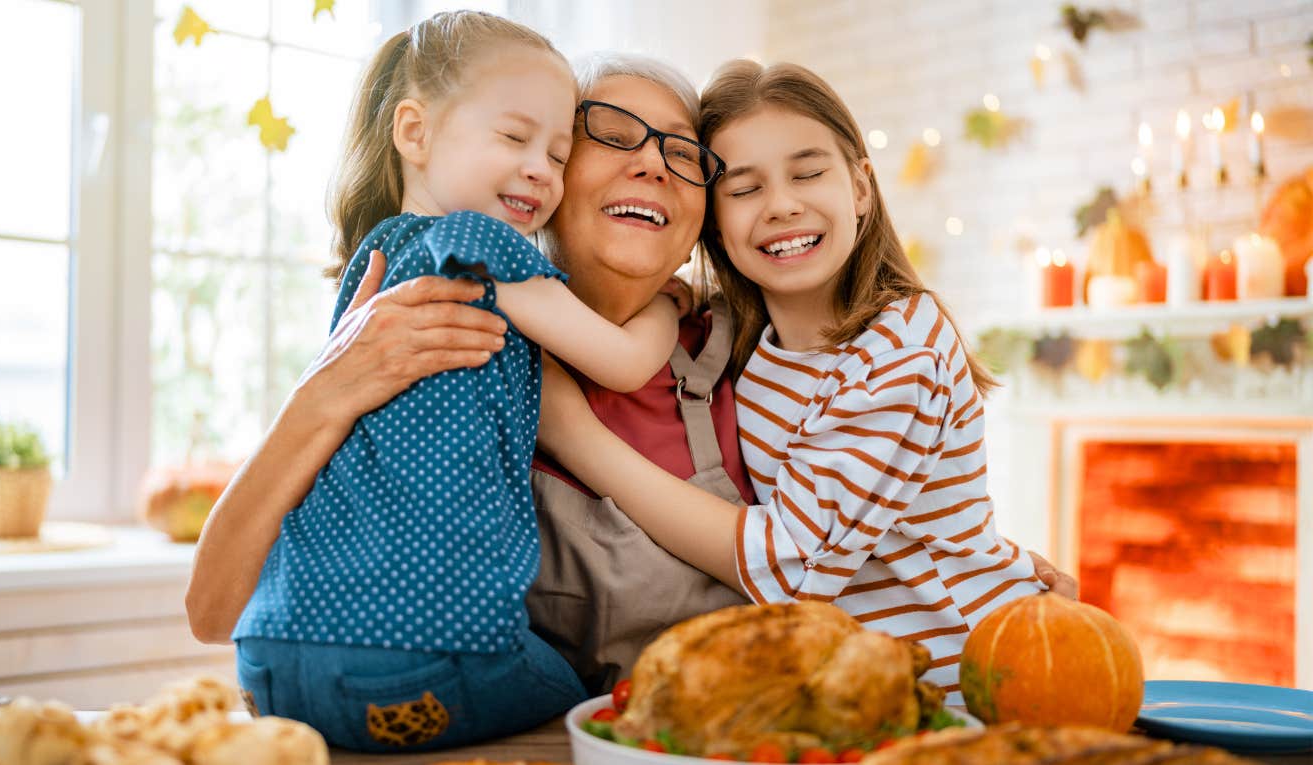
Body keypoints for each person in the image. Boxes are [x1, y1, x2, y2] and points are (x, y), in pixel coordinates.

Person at [187, 50, 1076, 720]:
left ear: (700, 217)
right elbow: (212, 608)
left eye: (684, 154)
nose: (651, 162)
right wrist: (326, 396)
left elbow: (840, 525)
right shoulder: (442, 336)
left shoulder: (737, 343)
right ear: (545, 177)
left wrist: (987, 565)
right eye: (611, 133)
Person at [216, 11, 696, 752]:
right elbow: (626, 361)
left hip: (272, 659)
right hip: (423, 658)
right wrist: (670, 298)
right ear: (415, 132)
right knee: (588, 700)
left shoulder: (369, 268)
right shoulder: (479, 244)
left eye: (557, 152)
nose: (540, 167)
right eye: (514, 138)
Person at [536, 60, 1047, 703]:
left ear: (861, 186)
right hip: (845, 693)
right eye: (744, 189)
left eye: (808, 173)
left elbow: (786, 567)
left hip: (961, 691)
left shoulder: (900, 351)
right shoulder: (740, 336)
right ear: (714, 221)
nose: (782, 205)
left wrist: (572, 435)